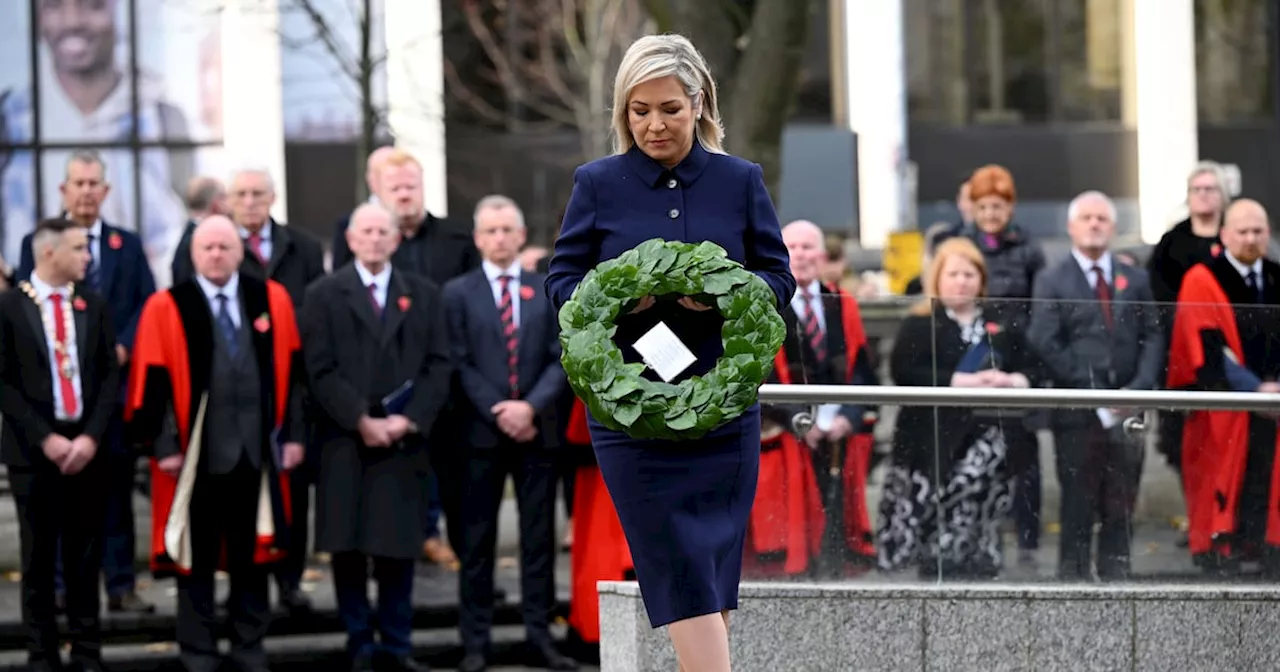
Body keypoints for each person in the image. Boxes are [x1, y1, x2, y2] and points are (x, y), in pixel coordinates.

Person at [544, 34, 794, 671]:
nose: (654, 124)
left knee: (710, 568)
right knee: (673, 559)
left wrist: (725, 296)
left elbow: (777, 275)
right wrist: (615, 299)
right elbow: (562, 282)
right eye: (639, 110)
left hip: (723, 412)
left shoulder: (740, 180)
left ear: (698, 103)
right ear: (624, 113)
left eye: (670, 109)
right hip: (631, 420)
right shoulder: (596, 183)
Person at [125, 215, 306, 672]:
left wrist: (293, 437)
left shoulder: (271, 299)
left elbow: (295, 373)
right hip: (193, 458)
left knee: (253, 558)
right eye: (207, 247)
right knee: (196, 559)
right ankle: (199, 651)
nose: (216, 255)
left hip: (256, 453)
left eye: (225, 246)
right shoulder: (167, 307)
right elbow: (150, 381)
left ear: (240, 252)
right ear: (193, 254)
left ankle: (250, 647)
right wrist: (163, 444)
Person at [302, 203, 453, 672]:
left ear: (394, 240)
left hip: (402, 443)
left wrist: (407, 421)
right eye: (364, 231)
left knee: (398, 550)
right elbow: (318, 368)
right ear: (349, 240)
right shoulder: (323, 294)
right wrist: (360, 420)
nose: (373, 239)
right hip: (345, 443)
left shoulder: (423, 295)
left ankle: (397, 647)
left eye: (381, 231)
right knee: (347, 550)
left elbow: (439, 363)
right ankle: (359, 645)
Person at [17, 150, 158, 616]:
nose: (86, 191)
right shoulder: (38, 242)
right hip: (52, 399)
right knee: (54, 500)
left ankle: (121, 585)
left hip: (108, 395)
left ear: (106, 190)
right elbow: (26, 306)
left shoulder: (127, 245)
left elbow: (145, 303)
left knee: (115, 491)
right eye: (77, 183)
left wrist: (122, 345)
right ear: (64, 189)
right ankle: (59, 587)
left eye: (94, 183)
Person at [445, 195, 576, 671]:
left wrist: (529, 407)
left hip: (537, 434)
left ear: (521, 236)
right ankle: (476, 643)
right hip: (479, 435)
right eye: (491, 231)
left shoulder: (543, 289)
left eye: (507, 230)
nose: (500, 238)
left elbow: (559, 354)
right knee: (476, 544)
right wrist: (498, 410)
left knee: (538, 542)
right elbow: (457, 361)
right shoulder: (456, 294)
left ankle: (539, 637)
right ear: (478, 239)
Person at [876, 237, 1040, 578]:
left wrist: (1010, 380)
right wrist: (960, 381)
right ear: (937, 278)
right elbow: (903, 372)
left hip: (988, 439)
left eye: (969, 274)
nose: (962, 281)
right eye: (953, 274)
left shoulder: (1002, 323)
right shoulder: (920, 323)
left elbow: (1035, 367)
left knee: (976, 537)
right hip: (930, 442)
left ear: (981, 279)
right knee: (931, 544)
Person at [0, 218, 119, 672]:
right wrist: (44, 438)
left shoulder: (93, 305)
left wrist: (89, 436)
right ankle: (41, 654)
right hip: (34, 454)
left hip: (86, 450)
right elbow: (4, 382)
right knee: (38, 559)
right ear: (49, 253)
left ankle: (87, 653)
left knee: (85, 558)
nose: (87, 256)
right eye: (78, 248)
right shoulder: (10, 306)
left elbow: (110, 374)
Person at [1026, 191, 1163, 580]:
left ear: (1113, 227)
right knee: (1077, 503)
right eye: (1086, 218)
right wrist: (1095, 393)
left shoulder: (1135, 278)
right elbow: (1044, 340)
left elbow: (1153, 334)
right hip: (1079, 412)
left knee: (1121, 503)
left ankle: (1118, 582)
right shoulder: (1052, 279)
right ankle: (1073, 584)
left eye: (1101, 218)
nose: (1094, 224)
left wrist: (1136, 391)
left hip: (1129, 409)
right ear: (1071, 227)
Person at [747, 219, 879, 578]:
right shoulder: (764, 302)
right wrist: (798, 420)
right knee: (796, 537)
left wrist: (847, 418)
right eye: (792, 247)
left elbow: (863, 369)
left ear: (822, 256)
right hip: (788, 433)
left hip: (836, 436)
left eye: (808, 247)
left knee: (836, 530)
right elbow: (759, 372)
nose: (801, 255)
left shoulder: (842, 303)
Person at [1167, 198, 1280, 575]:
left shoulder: (1276, 275)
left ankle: (1268, 549)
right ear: (1225, 234)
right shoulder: (1203, 278)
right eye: (1242, 231)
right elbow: (1207, 346)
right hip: (1228, 405)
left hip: (1274, 406)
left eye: (1257, 231)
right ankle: (1222, 549)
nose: (1250, 238)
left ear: (1268, 234)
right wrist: (1256, 392)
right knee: (1225, 481)